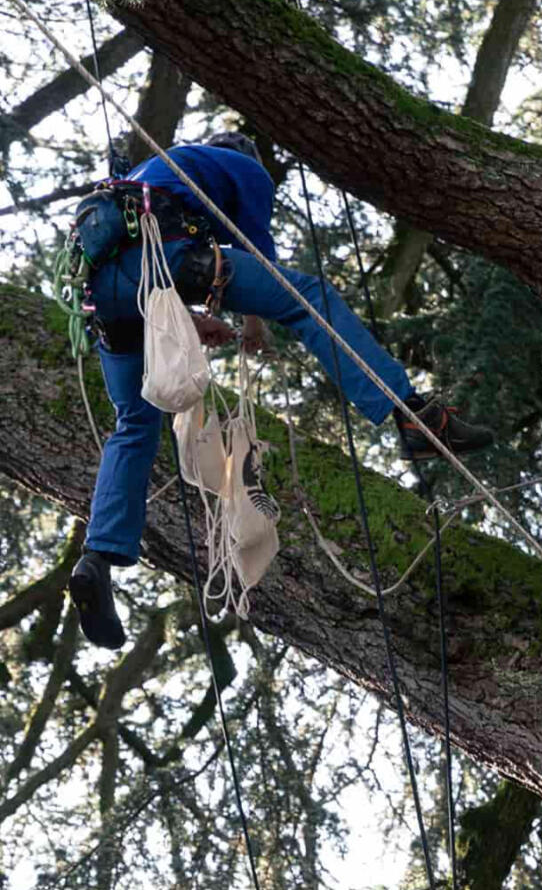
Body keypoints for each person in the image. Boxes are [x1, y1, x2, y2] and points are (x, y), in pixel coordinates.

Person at [69, 130, 497, 650]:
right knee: (308, 298)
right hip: (165, 262)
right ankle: (412, 415)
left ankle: (97, 558)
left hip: (102, 294)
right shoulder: (243, 168)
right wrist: (254, 324)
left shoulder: (152, 173)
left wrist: (197, 322)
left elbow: (143, 284)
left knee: (134, 425)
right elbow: (258, 254)